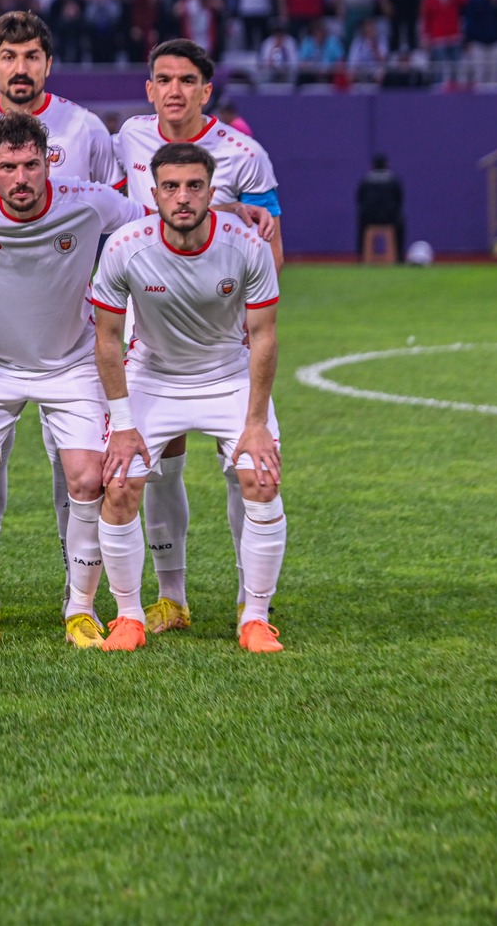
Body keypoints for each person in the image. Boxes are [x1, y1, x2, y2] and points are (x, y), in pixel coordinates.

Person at [0, 112, 141, 647]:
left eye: (31, 165)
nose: (21, 178)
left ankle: (80, 609)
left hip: (73, 362)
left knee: (87, 479)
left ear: (48, 164)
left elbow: (152, 222)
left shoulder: (90, 202)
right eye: (8, 167)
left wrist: (232, 214)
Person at [89, 141, 287, 654]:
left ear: (211, 191)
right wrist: (123, 423)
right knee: (119, 485)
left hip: (227, 374)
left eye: (194, 186)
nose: (183, 197)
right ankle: (129, 616)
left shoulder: (246, 245)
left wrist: (256, 423)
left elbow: (263, 335)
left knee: (261, 478)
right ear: (154, 193)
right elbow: (107, 340)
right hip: (153, 376)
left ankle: (255, 618)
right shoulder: (124, 246)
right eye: (171, 187)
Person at [114, 38, 279, 635]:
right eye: (164, 79)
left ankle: (250, 602)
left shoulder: (245, 154)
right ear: (149, 88)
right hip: (148, 328)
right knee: (158, 464)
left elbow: (270, 245)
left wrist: (247, 318)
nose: (175, 91)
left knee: (245, 469)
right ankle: (170, 598)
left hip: (220, 335)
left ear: (206, 90)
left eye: (187, 80)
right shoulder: (127, 139)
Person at [356, 154, 406, 260]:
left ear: (373, 166)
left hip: (369, 218)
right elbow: (399, 199)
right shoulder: (393, 179)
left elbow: (359, 199)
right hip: (390, 218)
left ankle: (362, 256)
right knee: (401, 222)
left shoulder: (366, 179)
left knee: (361, 224)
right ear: (387, 165)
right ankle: (399, 256)